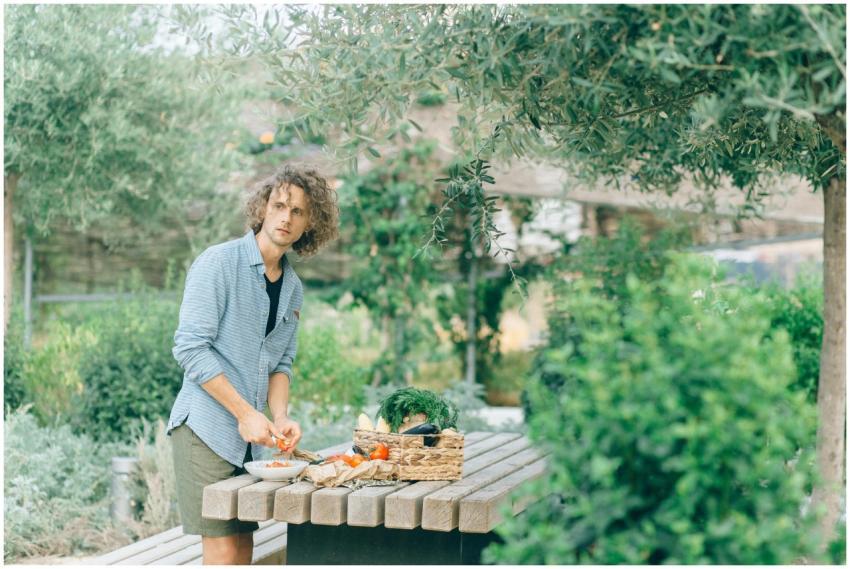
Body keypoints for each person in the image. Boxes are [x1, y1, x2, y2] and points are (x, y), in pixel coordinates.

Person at [167, 165, 339, 564]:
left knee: (245, 550)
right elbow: (190, 348)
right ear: (263, 208)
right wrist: (246, 413)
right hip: (204, 430)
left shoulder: (292, 287)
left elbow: (282, 363)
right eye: (279, 205)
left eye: (298, 211)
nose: (286, 217)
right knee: (225, 552)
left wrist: (279, 416)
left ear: (311, 222)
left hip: (248, 439)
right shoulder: (218, 263)